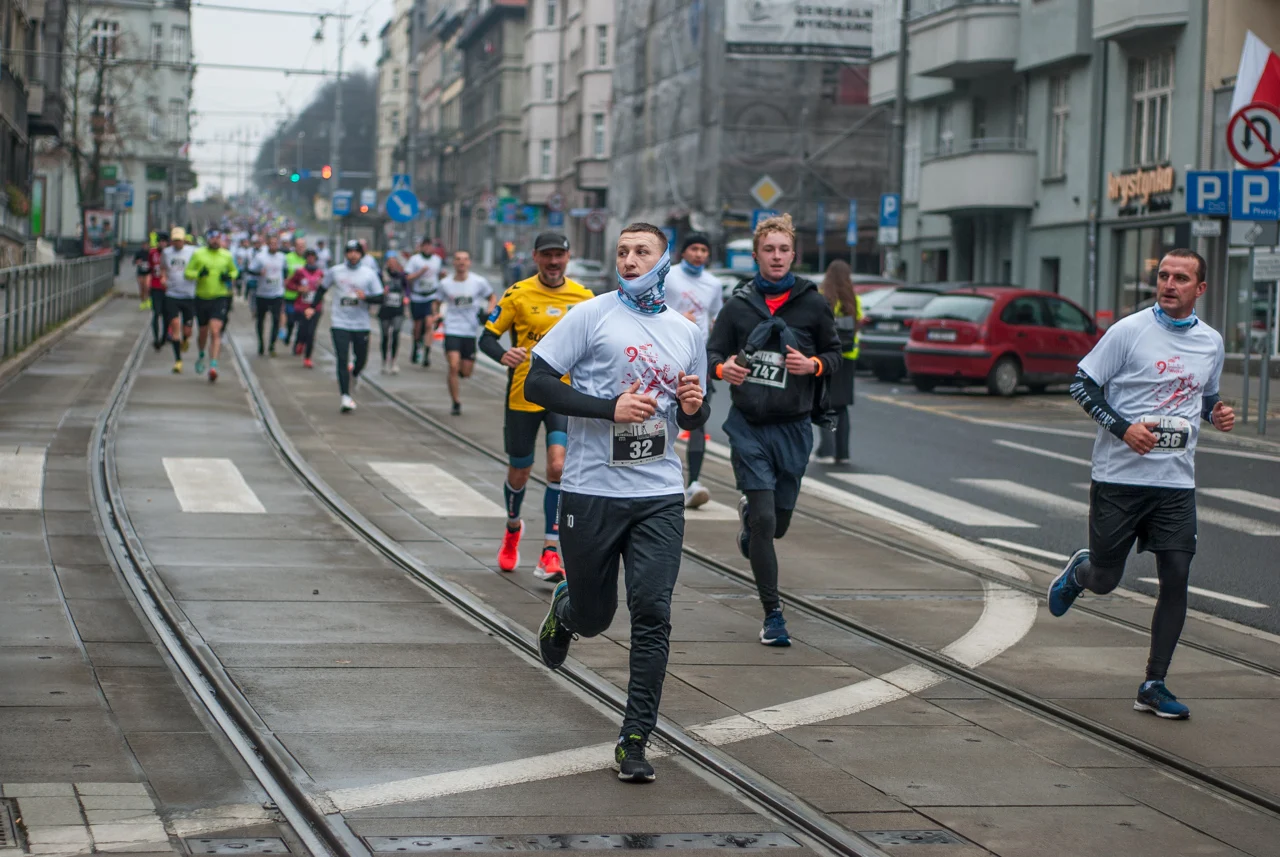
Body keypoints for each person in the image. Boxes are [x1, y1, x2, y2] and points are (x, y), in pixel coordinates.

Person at [527, 222, 709, 783]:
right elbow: (537, 383)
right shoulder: (592, 314)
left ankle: (635, 737)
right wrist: (609, 409)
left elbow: (695, 413)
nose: (629, 260)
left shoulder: (686, 331)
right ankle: (567, 610)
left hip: (658, 494)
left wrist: (694, 405)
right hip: (591, 490)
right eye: (623, 251)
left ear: (664, 261)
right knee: (596, 617)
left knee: (652, 613)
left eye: (641, 252)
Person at [1049, 249, 1233, 721]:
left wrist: (1217, 413)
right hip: (1119, 479)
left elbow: (1205, 396)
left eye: (1181, 278)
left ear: (1200, 288)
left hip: (1175, 483)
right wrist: (1123, 428)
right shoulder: (1128, 331)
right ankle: (1081, 572)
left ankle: (1154, 683)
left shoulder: (1211, 342)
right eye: (1164, 275)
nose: (1169, 284)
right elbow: (1082, 385)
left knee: (1177, 575)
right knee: (1106, 581)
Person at [706, 213, 841, 647]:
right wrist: (723, 369)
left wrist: (813, 364)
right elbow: (712, 353)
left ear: (793, 254)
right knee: (766, 521)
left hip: (794, 428)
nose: (777, 256)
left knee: (776, 525)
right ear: (757, 255)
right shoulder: (739, 306)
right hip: (749, 427)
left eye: (783, 249)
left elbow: (835, 355)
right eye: (769, 250)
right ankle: (773, 615)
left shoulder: (812, 305)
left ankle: (751, 520)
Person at [479, 233, 594, 582]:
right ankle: (513, 527)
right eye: (547, 255)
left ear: (568, 257)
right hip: (523, 395)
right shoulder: (518, 293)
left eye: (559, 255)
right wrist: (504, 355)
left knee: (558, 467)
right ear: (536, 258)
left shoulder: (585, 297)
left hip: (563, 396)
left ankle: (549, 551)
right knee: (520, 470)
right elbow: (486, 338)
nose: (554, 262)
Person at [663, 232, 723, 508]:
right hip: (666, 352)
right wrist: (677, 318)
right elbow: (652, 307)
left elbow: (716, 317)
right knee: (661, 416)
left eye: (703, 250)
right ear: (684, 252)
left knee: (697, 416)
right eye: (694, 248)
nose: (699, 254)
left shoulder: (713, 284)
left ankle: (694, 482)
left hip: (698, 359)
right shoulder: (669, 276)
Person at [310, 240, 383, 412]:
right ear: (345, 254)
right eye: (350, 252)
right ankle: (345, 396)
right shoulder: (336, 271)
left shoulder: (369, 274)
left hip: (361, 324)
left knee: (361, 359)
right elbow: (322, 289)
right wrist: (312, 307)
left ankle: (355, 374)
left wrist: (365, 297)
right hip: (340, 322)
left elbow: (380, 297)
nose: (353, 255)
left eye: (356, 252)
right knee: (342, 359)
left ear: (361, 254)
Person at [814, 260, 861, 465]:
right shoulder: (854, 299)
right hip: (848, 358)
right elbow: (859, 322)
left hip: (827, 357)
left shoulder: (823, 298)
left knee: (825, 404)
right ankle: (843, 453)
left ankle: (826, 450)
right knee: (842, 406)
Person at [439, 250, 496, 415]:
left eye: (465, 259)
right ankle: (455, 402)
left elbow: (492, 297)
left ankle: (459, 372)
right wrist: (437, 315)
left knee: (466, 372)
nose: (461, 262)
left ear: (469, 263)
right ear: (454, 263)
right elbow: (437, 301)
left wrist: (489, 311)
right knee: (453, 366)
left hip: (470, 331)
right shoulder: (445, 283)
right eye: (458, 259)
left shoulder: (478, 282)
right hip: (452, 329)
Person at [184, 231, 239, 383]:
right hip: (202, 297)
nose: (215, 241)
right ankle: (201, 354)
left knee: (215, 331)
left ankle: (213, 366)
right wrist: (198, 274)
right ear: (208, 240)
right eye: (212, 238)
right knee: (203, 332)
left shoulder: (226, 255)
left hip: (220, 297)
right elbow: (187, 273)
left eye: (218, 238)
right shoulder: (198, 254)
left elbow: (235, 271)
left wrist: (229, 276)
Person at [162, 227, 198, 374]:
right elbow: (163, 267)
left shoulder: (193, 252)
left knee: (187, 331)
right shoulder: (166, 252)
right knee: (175, 324)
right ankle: (178, 361)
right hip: (172, 294)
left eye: (179, 240)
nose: (177, 242)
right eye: (175, 240)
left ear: (184, 240)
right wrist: (163, 277)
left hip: (189, 295)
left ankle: (185, 339)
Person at [405, 237, 443, 367]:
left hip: (431, 296)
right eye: (425, 246)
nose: (427, 248)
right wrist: (420, 272)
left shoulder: (437, 260)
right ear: (421, 247)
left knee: (429, 324)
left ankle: (427, 353)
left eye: (429, 246)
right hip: (417, 297)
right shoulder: (415, 260)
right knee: (417, 326)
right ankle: (416, 345)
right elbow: (408, 277)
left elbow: (439, 275)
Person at [250, 234, 289, 356]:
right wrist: (258, 273)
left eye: (276, 244)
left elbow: (285, 270)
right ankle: (261, 343)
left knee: (276, 320)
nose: (274, 246)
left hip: (277, 293)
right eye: (271, 243)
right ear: (267, 244)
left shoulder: (282, 257)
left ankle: (272, 345)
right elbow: (250, 270)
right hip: (262, 293)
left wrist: (285, 280)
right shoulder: (260, 257)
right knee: (260, 320)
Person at [289, 249, 325, 369]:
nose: (311, 259)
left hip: (315, 307)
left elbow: (325, 287)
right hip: (302, 306)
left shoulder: (320, 273)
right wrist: (299, 288)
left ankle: (308, 358)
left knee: (311, 333)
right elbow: (289, 284)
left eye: (313, 257)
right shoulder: (300, 272)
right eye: (309, 257)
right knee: (302, 330)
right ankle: (300, 342)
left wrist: (321, 285)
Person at [379, 250, 408, 374]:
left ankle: (394, 361)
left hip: (398, 309)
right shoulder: (381, 275)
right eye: (389, 262)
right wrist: (381, 292)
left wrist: (406, 297)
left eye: (394, 261)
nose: (392, 264)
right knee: (385, 336)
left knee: (396, 333)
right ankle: (384, 360)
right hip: (385, 309)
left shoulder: (401, 275)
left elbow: (407, 288)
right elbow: (375, 289)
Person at [283, 236, 308, 348]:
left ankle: (298, 343)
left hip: (303, 296)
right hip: (290, 294)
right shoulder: (288, 258)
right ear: (295, 246)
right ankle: (288, 334)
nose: (301, 248)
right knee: (291, 319)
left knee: (302, 322)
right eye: (299, 246)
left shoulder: (307, 259)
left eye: (303, 246)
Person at [147, 234, 169, 350]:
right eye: (160, 241)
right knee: (156, 313)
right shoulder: (152, 253)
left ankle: (164, 337)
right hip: (155, 287)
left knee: (166, 315)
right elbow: (149, 268)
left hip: (168, 289)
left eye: (164, 241)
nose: (162, 244)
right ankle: (156, 338)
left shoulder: (170, 253)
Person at [133, 244, 152, 310]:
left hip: (148, 272)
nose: (146, 246)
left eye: (147, 245)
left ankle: (148, 300)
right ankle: (143, 301)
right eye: (144, 245)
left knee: (147, 286)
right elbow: (134, 261)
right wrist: (137, 262)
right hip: (140, 272)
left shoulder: (151, 252)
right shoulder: (139, 253)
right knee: (142, 288)